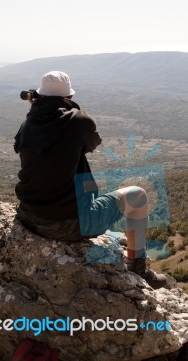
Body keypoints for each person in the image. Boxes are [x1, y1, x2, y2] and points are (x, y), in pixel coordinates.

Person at [14, 71, 168, 289]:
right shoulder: (79, 120)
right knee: (138, 196)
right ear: (68, 96)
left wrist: (37, 108)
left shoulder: (28, 123)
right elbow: (91, 145)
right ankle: (138, 269)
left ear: (38, 96)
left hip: (29, 216)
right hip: (68, 225)